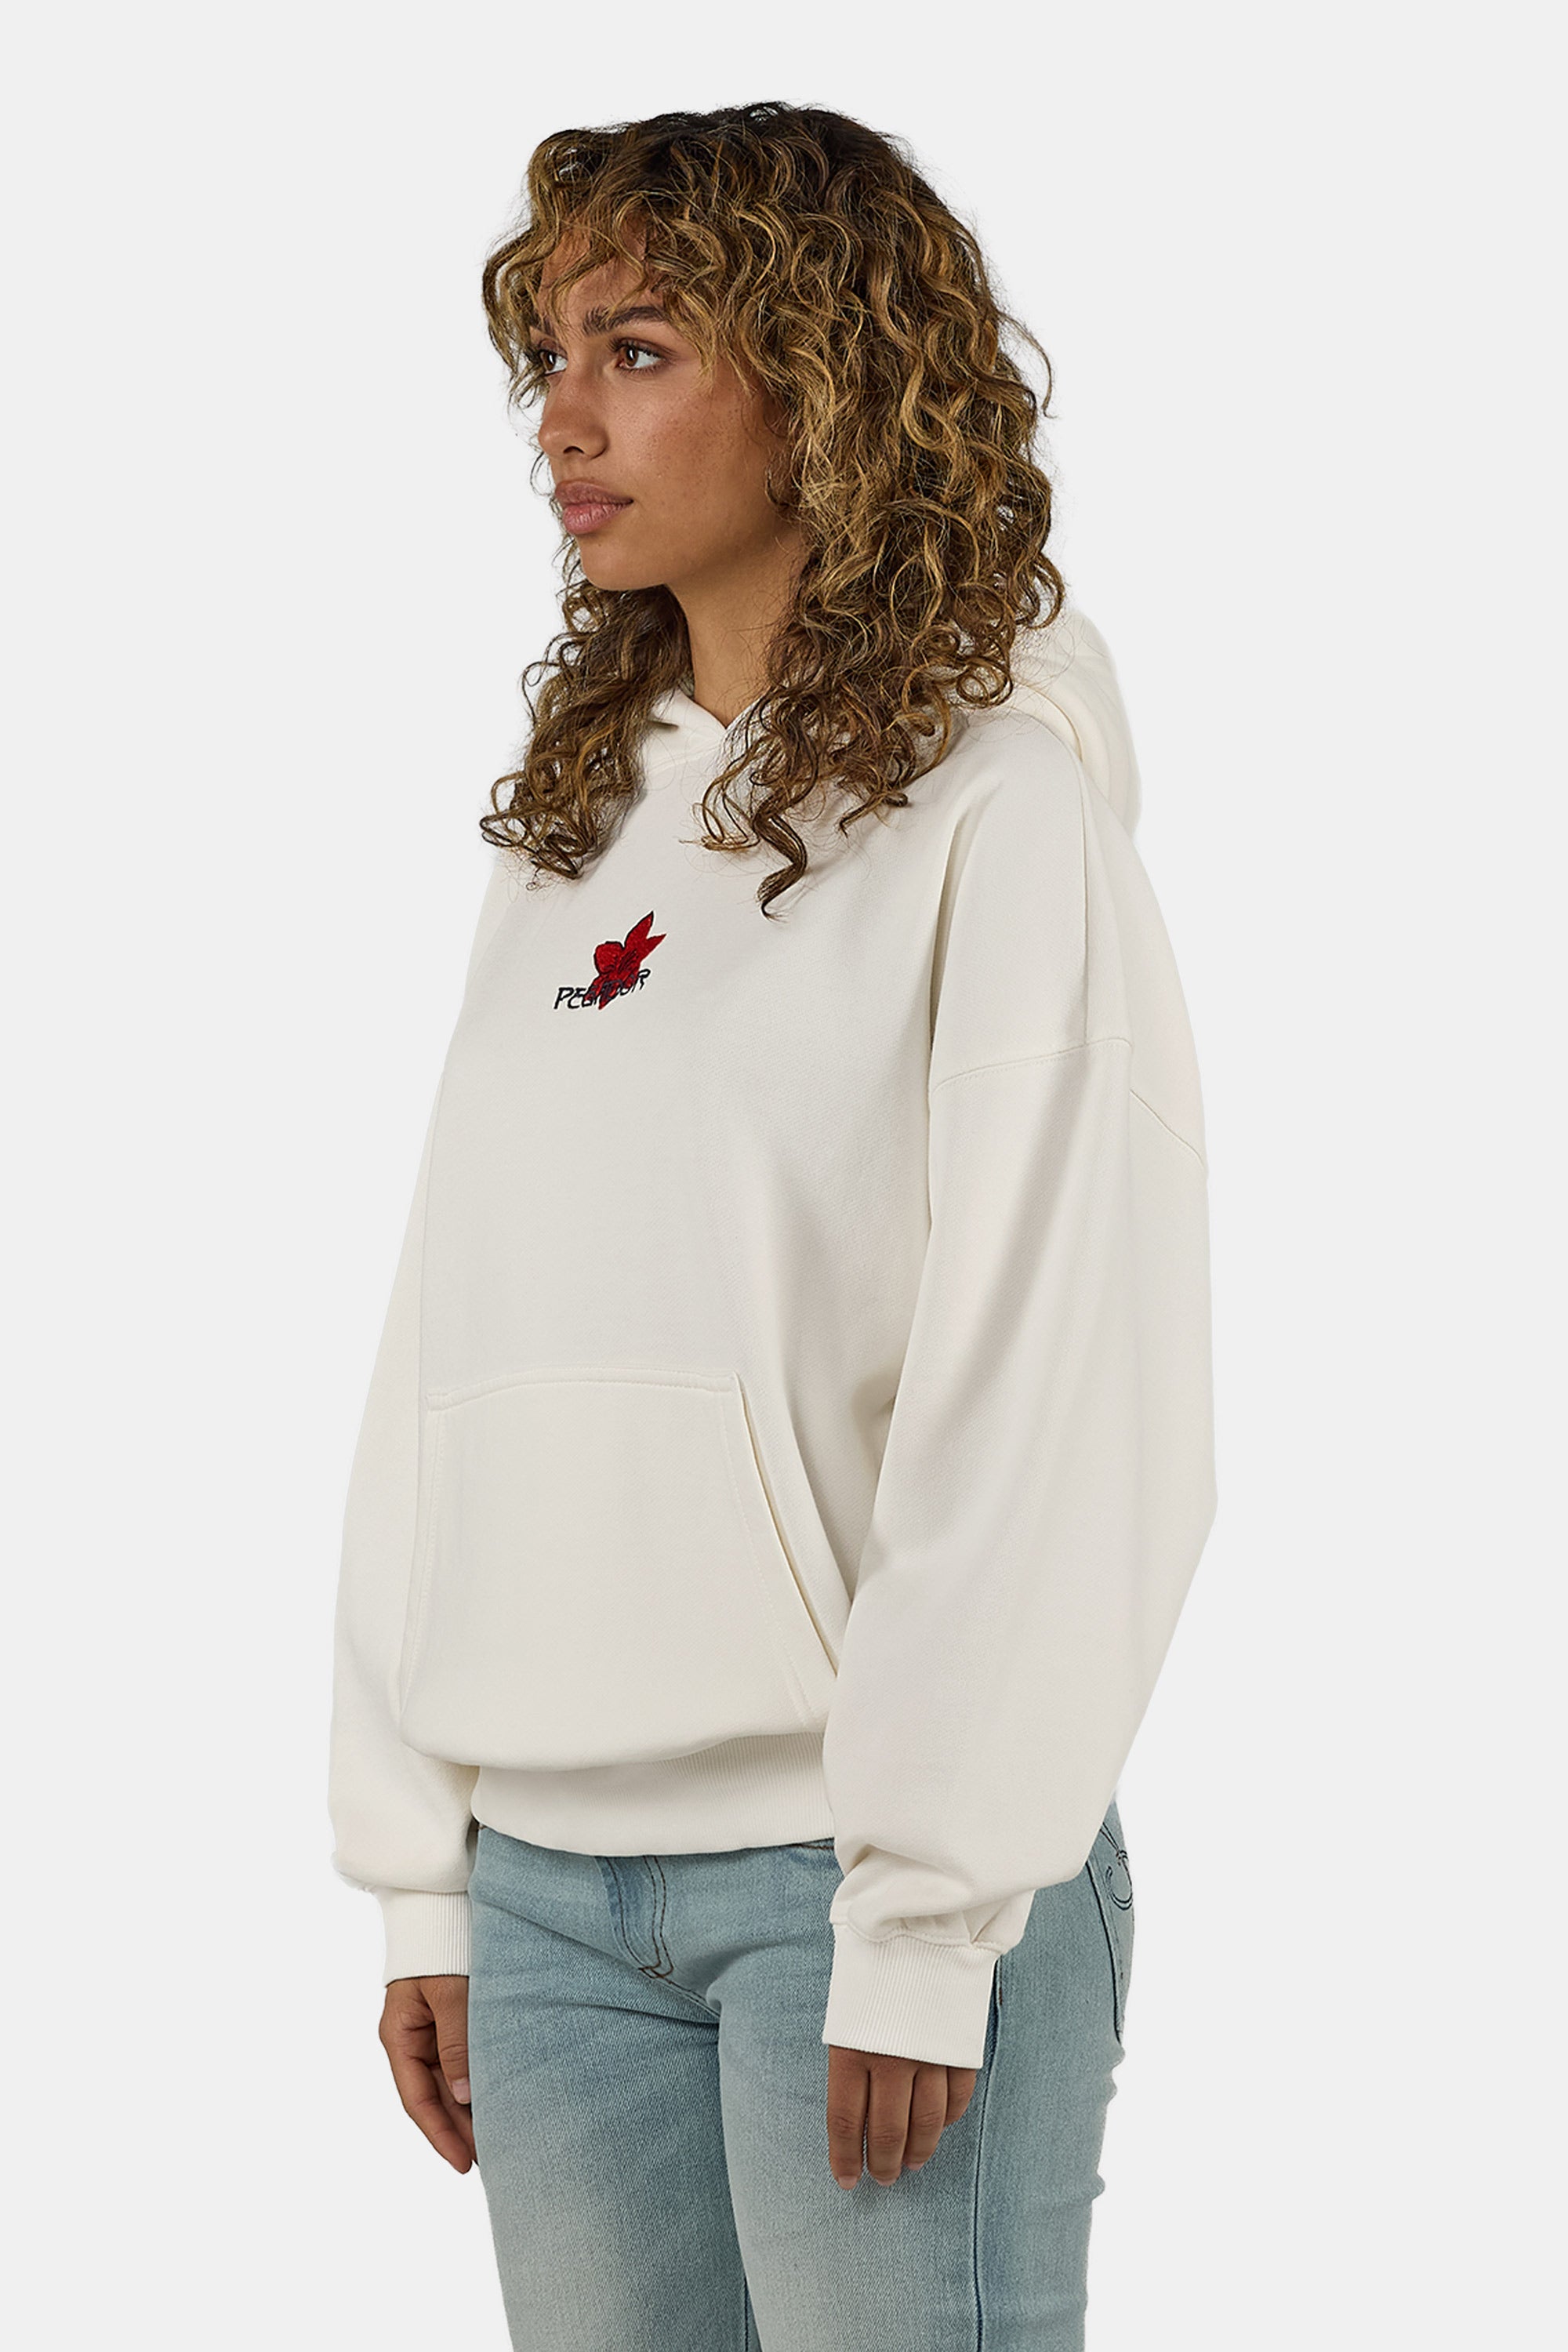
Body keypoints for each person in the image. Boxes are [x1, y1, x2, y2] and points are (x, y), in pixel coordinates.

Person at [328, 99, 1216, 2352]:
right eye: (549, 357)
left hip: (856, 1889)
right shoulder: (568, 842)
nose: (563, 419)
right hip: (546, 1896)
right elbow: (451, 1333)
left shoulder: (1001, 815)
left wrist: (928, 1909)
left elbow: (1053, 1379)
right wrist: (426, 1866)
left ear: (828, 376)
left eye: (636, 351)